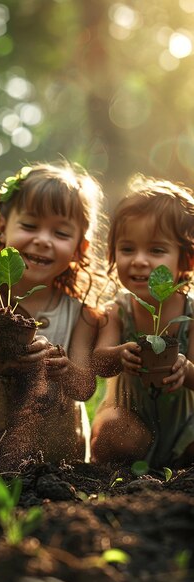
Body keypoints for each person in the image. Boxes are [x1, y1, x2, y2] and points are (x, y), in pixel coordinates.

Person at [0, 162, 104, 471]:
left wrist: (63, 366)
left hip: (59, 462)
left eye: (60, 232)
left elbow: (85, 388)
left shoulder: (81, 313)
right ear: (2, 226)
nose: (43, 239)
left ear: (80, 247)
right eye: (29, 226)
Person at [91, 174, 194, 469]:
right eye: (127, 249)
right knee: (115, 432)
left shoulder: (190, 314)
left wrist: (185, 370)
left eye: (156, 250)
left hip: (184, 430)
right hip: (129, 423)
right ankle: (112, 474)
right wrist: (119, 355)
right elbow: (98, 361)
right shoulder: (118, 310)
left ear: (186, 260)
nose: (139, 260)